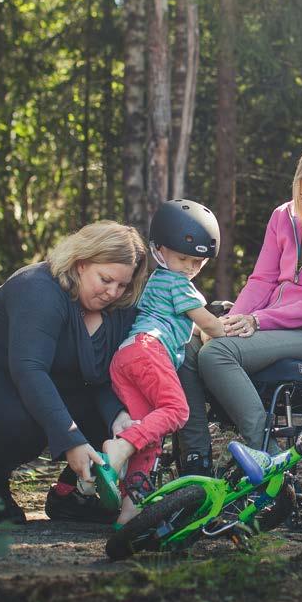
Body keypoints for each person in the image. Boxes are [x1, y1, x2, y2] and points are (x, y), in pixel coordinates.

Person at [0, 221, 147, 524]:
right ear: (81, 264)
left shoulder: (116, 308)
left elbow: (101, 379)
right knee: (23, 420)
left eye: (122, 285)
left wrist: (117, 418)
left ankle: (70, 495)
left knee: (120, 413)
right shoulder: (38, 287)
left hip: (34, 388)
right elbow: (29, 369)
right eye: (106, 279)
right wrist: (72, 441)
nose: (113, 292)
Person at [177, 144, 302, 472]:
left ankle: (270, 460)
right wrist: (230, 321)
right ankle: (197, 461)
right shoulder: (283, 217)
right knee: (187, 348)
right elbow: (262, 280)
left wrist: (258, 320)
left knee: (216, 354)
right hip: (269, 324)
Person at [99, 200, 227, 527]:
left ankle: (130, 510)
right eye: (183, 258)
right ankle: (118, 450)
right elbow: (208, 324)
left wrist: (202, 330)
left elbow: (188, 323)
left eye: (197, 262)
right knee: (177, 411)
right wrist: (226, 329)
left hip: (127, 357)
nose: (189, 267)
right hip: (149, 351)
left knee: (150, 436)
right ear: (159, 250)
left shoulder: (157, 281)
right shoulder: (178, 283)